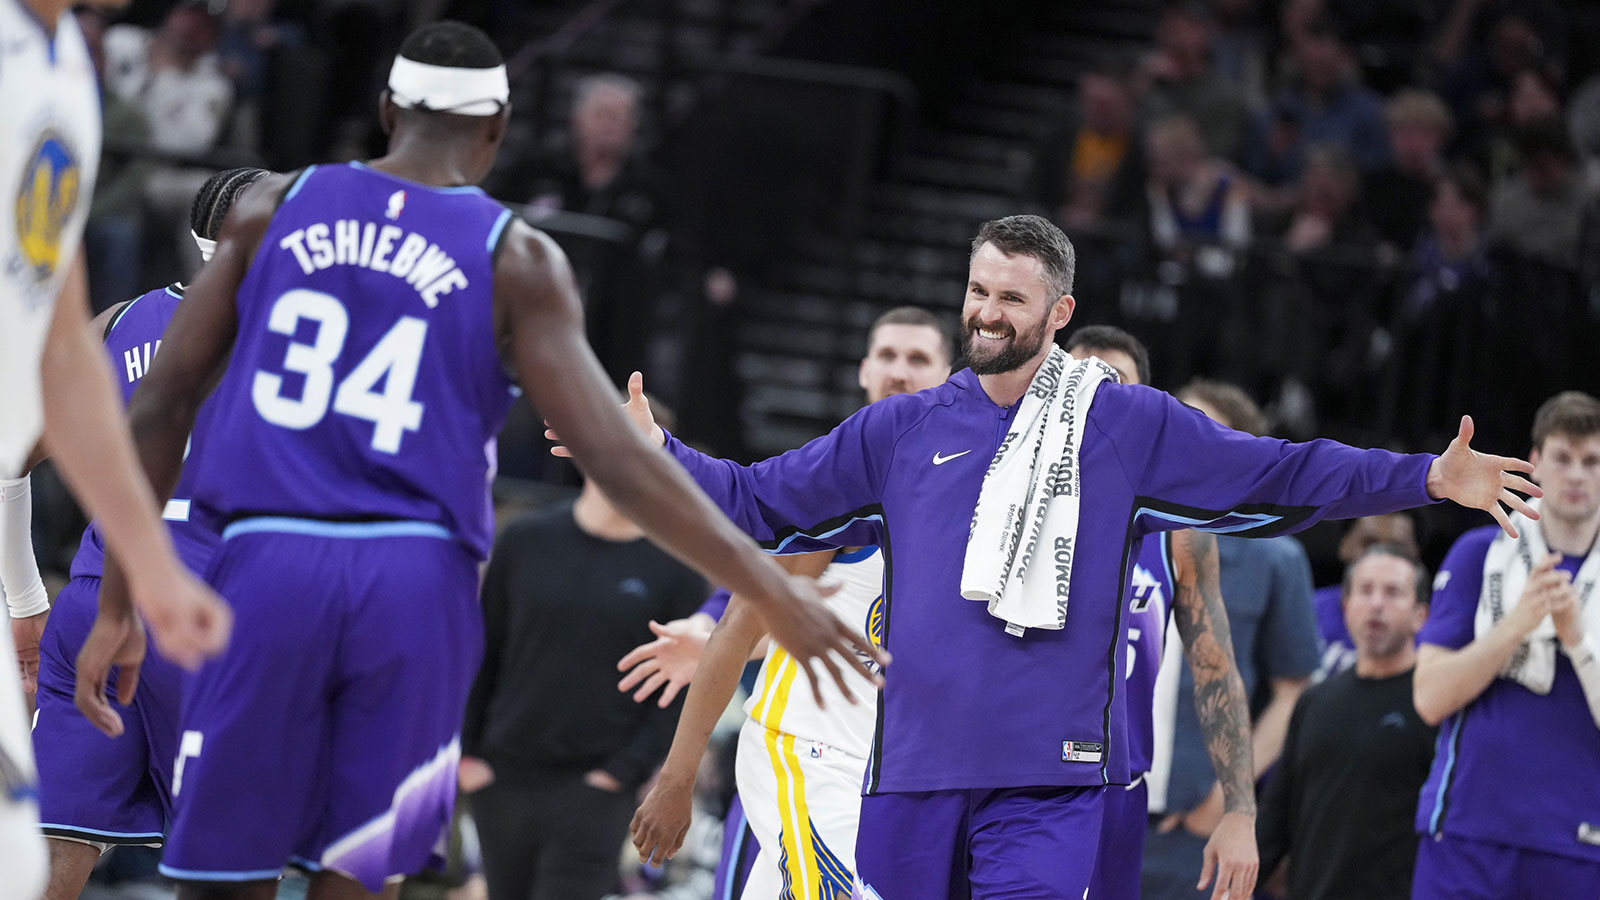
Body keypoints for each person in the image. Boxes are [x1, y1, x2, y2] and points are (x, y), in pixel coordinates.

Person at [72, 21, 878, 898]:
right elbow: (621, 456)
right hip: (413, 583)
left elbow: (159, 403)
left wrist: (122, 597)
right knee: (359, 865)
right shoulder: (519, 256)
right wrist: (763, 586)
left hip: (270, 566)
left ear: (385, 109)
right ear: (496, 128)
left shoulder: (269, 212)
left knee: (229, 869)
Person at [554, 214, 1536, 899]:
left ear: (1058, 313)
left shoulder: (1123, 426)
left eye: (1011, 299)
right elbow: (761, 502)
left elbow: (1278, 469)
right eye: (976, 290)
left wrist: (1421, 479)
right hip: (911, 772)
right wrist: (652, 451)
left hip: (1047, 785)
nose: (985, 312)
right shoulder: (898, 432)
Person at [2, 0, 228, 892]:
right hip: (202, 607)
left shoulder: (66, 68)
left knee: (47, 851)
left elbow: (51, 379)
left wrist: (39, 590)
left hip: (110, 591)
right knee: (247, 855)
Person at [628, 306, 954, 898]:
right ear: (863, 369)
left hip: (886, 773)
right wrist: (677, 777)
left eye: (917, 359)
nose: (899, 372)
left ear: (949, 375)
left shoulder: (964, 493)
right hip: (806, 750)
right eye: (887, 356)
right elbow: (742, 611)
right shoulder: (839, 479)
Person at [22, 167, 269, 900]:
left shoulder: (119, 322)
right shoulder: (298, 342)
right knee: (238, 871)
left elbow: (8, 465)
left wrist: (25, 597)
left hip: (94, 605)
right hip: (210, 620)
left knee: (49, 857)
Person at [1064, 327, 1257, 900]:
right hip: (1011, 777)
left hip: (1118, 790)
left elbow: (1216, 668)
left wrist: (1240, 810)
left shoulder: (1180, 533)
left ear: (1145, 406)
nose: (1095, 393)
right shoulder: (997, 498)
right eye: (1080, 376)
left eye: (1114, 381)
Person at [460, 472, 708, 900]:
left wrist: (621, 773)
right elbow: (481, 647)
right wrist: (468, 754)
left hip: (596, 788)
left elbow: (681, 687)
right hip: (501, 777)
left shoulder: (677, 567)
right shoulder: (524, 539)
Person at [1412, 391, 1600, 899]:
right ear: (1535, 461)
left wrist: (1577, 640)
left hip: (1581, 843)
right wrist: (1517, 622)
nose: (1577, 474)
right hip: (1470, 829)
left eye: (1592, 461)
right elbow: (1429, 697)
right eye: (1563, 458)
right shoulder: (1480, 552)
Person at [1142, 380, 1320, 900]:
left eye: (1201, 427)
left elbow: (1295, 692)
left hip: (1192, 820)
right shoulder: (1112, 529)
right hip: (1095, 799)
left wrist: (1227, 796)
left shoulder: (1275, 557)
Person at [1257, 545, 1437, 900]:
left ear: (1422, 615)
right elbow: (1277, 811)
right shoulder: (1316, 700)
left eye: (1393, 592)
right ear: (1345, 607)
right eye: (1365, 590)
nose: (1376, 604)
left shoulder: (1435, 702)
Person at [1310, 513, 1420, 677]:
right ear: (1344, 545)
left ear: (1415, 554)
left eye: (1395, 548)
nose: (1381, 557)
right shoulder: (1306, 612)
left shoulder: (1435, 629)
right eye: (1369, 543)